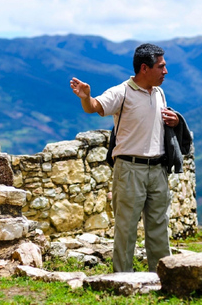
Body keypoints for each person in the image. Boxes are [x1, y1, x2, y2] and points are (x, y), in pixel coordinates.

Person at [70, 43, 180, 273]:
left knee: (159, 227)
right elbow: (94, 107)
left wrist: (175, 122)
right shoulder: (122, 92)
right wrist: (85, 97)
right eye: (161, 66)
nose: (165, 71)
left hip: (158, 169)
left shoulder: (159, 92)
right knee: (126, 229)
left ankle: (163, 277)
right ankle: (122, 279)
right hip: (129, 169)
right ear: (144, 68)